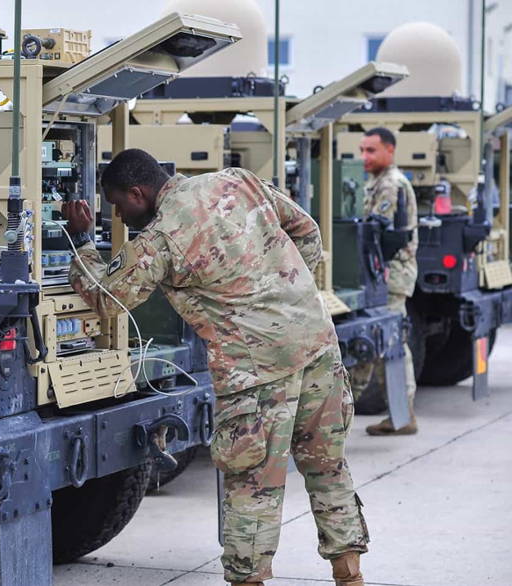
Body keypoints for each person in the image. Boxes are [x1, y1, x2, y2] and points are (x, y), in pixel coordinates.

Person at [62, 149, 369, 586]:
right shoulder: (237, 180)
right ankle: (350, 575)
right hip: (317, 344)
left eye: (119, 205)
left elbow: (109, 297)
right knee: (328, 465)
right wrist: (283, 289)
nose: (119, 216)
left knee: (253, 483)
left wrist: (83, 241)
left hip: (256, 370)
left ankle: (248, 580)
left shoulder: (163, 236)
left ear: (138, 192)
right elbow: (306, 229)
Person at [358, 127, 419, 436]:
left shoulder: (391, 185)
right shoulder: (379, 183)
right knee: (386, 341)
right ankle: (400, 413)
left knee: (392, 342)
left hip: (391, 274)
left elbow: (378, 232)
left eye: (372, 150)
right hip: (386, 273)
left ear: (390, 151)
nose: (365, 157)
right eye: (363, 150)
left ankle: (403, 415)